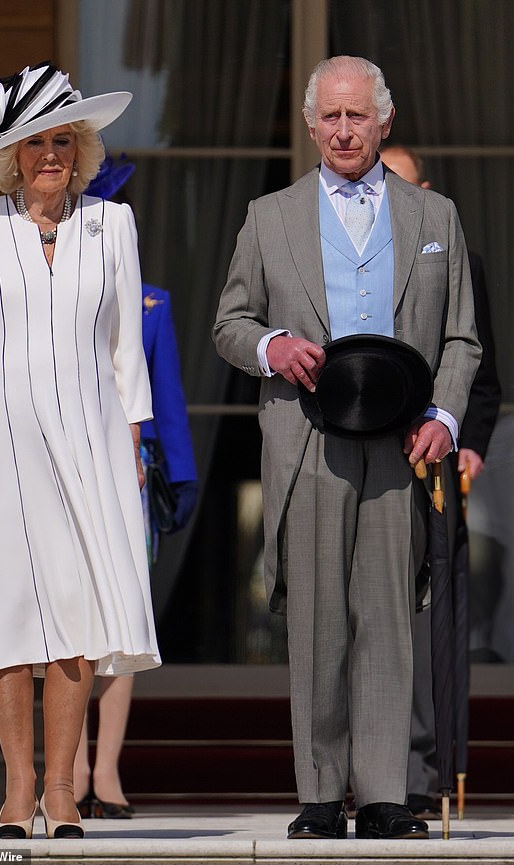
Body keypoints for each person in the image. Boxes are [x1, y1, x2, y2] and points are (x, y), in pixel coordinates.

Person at [213, 55, 481, 841]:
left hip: (402, 446)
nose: (342, 130)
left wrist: (447, 418)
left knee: (390, 619)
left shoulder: (437, 220)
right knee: (321, 621)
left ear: (383, 120)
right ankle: (322, 794)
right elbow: (229, 322)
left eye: (356, 116)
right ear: (309, 124)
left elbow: (463, 338)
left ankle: (388, 793)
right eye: (328, 117)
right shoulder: (270, 215)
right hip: (308, 442)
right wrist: (271, 348)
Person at [0, 62, 160, 840]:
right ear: (11, 156)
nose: (50, 155)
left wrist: (134, 440)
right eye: (34, 143)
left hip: (88, 443)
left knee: (78, 609)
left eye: (62, 140)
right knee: (2, 610)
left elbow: (127, 350)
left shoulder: (111, 225)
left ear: (79, 149)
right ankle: (17, 785)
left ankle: (62, 788)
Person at [73, 155, 198, 818]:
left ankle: (108, 772)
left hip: (131, 476)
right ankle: (66, 770)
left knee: (122, 623)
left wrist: (181, 477)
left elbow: (169, 400)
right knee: (68, 624)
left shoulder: (154, 303)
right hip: (63, 470)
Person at [380, 144, 501, 819]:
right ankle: (364, 769)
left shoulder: (462, 264)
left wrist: (470, 443)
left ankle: (421, 773)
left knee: (431, 629)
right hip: (364, 466)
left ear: (425, 192)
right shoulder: (351, 266)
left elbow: (484, 377)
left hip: (434, 466)